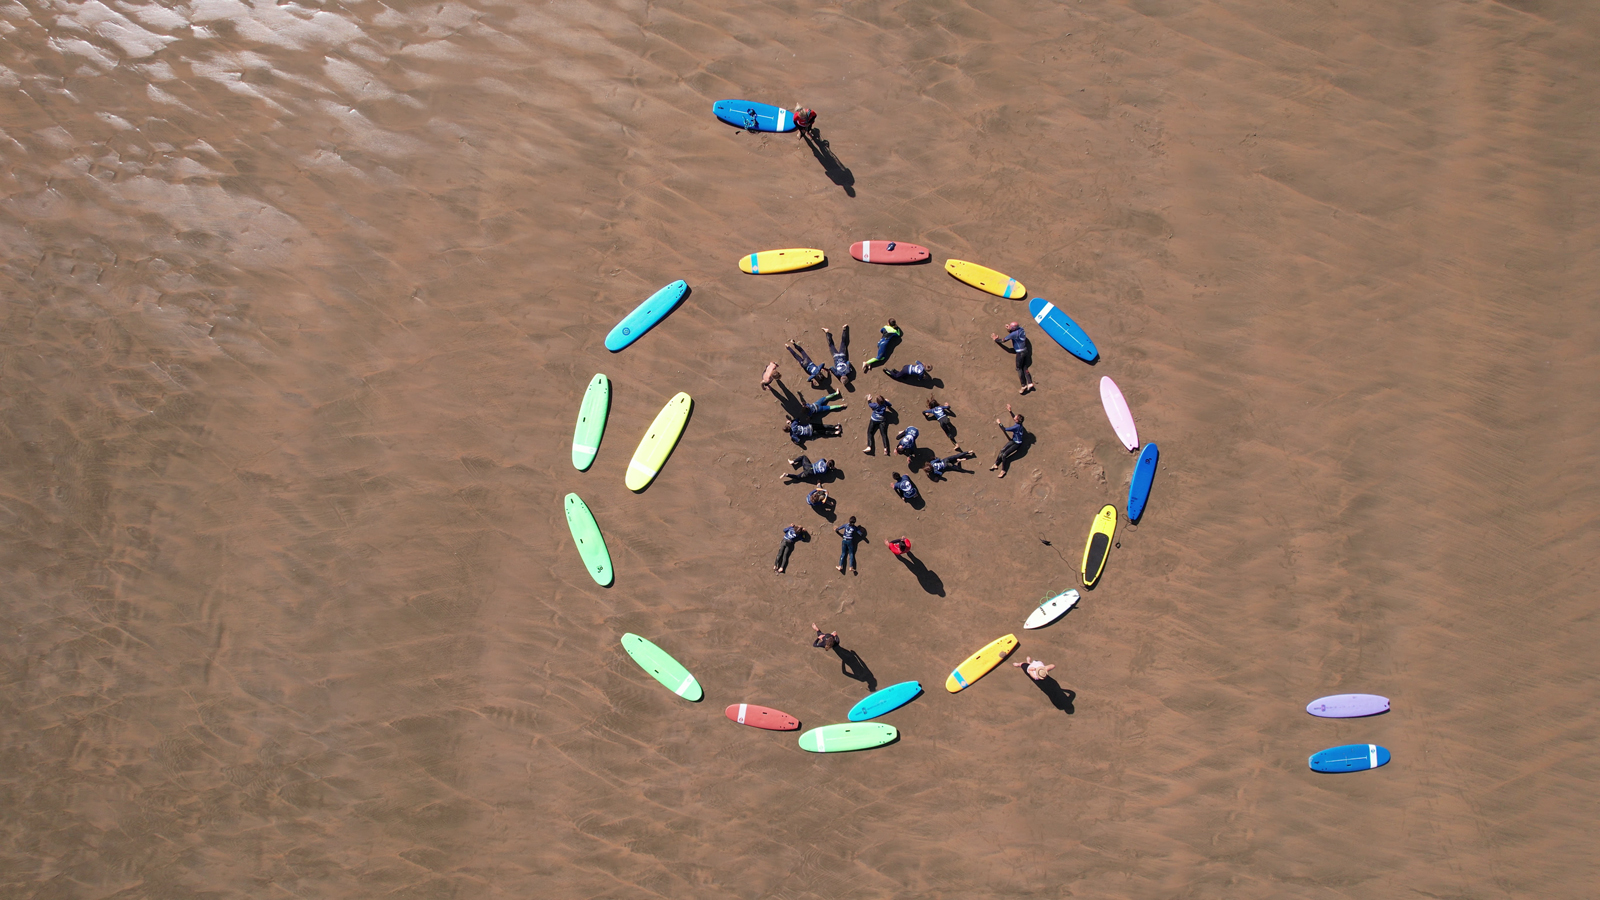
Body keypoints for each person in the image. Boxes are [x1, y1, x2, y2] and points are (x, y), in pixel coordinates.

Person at [991, 321, 1036, 394]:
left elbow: (1003, 340)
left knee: (1018, 368)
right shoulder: (1021, 329)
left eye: (1011, 327)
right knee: (1024, 366)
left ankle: (1023, 385)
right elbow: (1014, 332)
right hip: (1025, 350)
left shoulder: (1014, 334)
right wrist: (1009, 329)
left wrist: (995, 339)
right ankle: (1030, 383)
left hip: (1020, 353)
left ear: (1014, 328)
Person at [990, 404, 1026, 478]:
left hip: (1017, 443)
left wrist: (999, 423)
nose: (1014, 417)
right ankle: (996, 464)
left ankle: (1003, 471)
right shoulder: (1019, 423)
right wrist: (1010, 411)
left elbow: (1005, 429)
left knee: (1004, 455)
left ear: (1017, 420)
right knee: (1002, 450)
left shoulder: (1016, 427)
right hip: (1013, 440)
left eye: (1015, 417)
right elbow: (1014, 418)